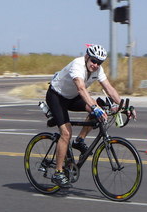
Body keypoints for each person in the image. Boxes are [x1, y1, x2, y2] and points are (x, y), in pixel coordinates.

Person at [46, 44, 135, 188]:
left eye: (99, 63)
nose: (95, 65)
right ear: (87, 57)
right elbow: (81, 88)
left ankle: (79, 140)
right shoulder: (77, 65)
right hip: (57, 96)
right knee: (66, 133)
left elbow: (109, 89)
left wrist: (124, 107)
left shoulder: (98, 69)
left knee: (100, 111)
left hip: (73, 97)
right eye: (93, 61)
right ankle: (58, 172)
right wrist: (94, 107)